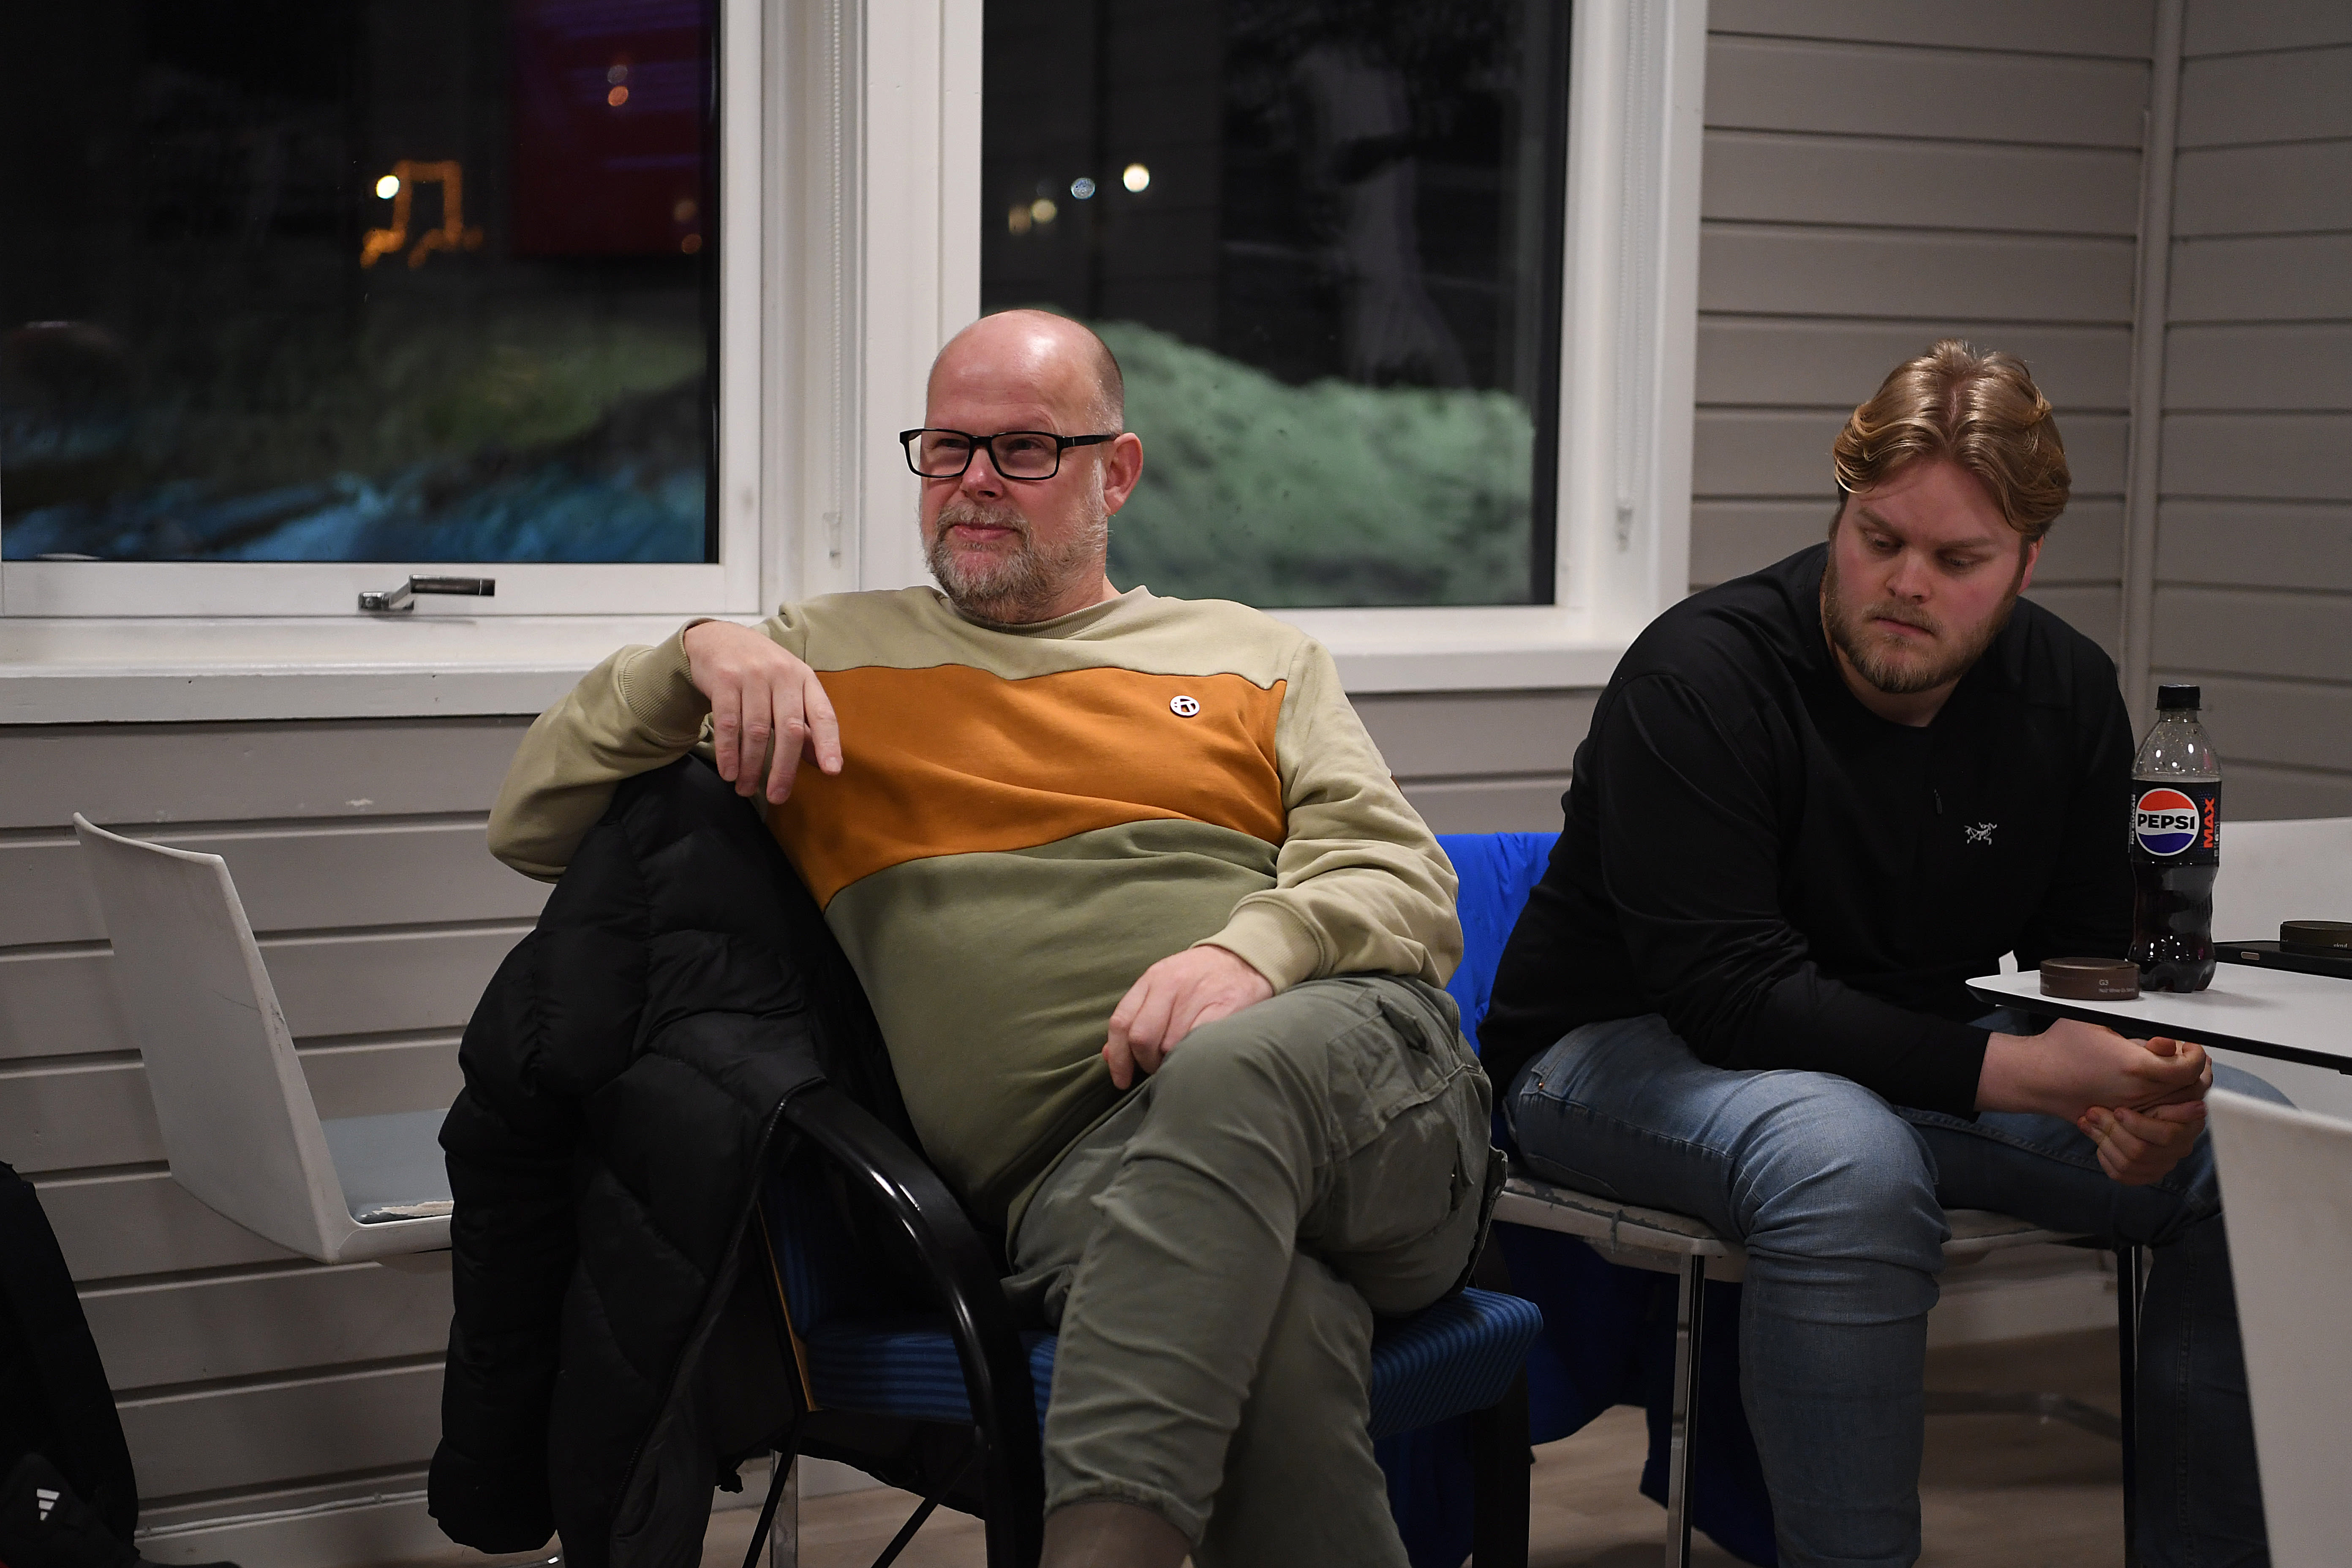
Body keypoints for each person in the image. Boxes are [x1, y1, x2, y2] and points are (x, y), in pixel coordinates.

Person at [485, 309, 1493, 1568]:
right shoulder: (829, 661)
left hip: (1359, 1101)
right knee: (1275, 1336)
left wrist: (1251, 955)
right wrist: (691, 656)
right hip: (1080, 1187)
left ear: (1115, 472)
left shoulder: (1257, 656)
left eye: (1023, 449)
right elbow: (530, 823)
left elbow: (1405, 879)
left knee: (1230, 1071)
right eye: (948, 447)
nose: (972, 481)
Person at [1482, 340, 2280, 1568]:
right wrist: (2030, 1076)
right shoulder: (1702, 674)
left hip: (1902, 1051)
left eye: (1958, 560)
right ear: (1841, 515)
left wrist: (2134, 1085)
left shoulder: (2066, 689)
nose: (1907, 583)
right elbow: (1732, 997)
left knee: (2257, 1144)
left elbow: (2077, 962)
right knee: (1843, 1160)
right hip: (1618, 1049)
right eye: (1879, 539)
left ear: (2025, 563)